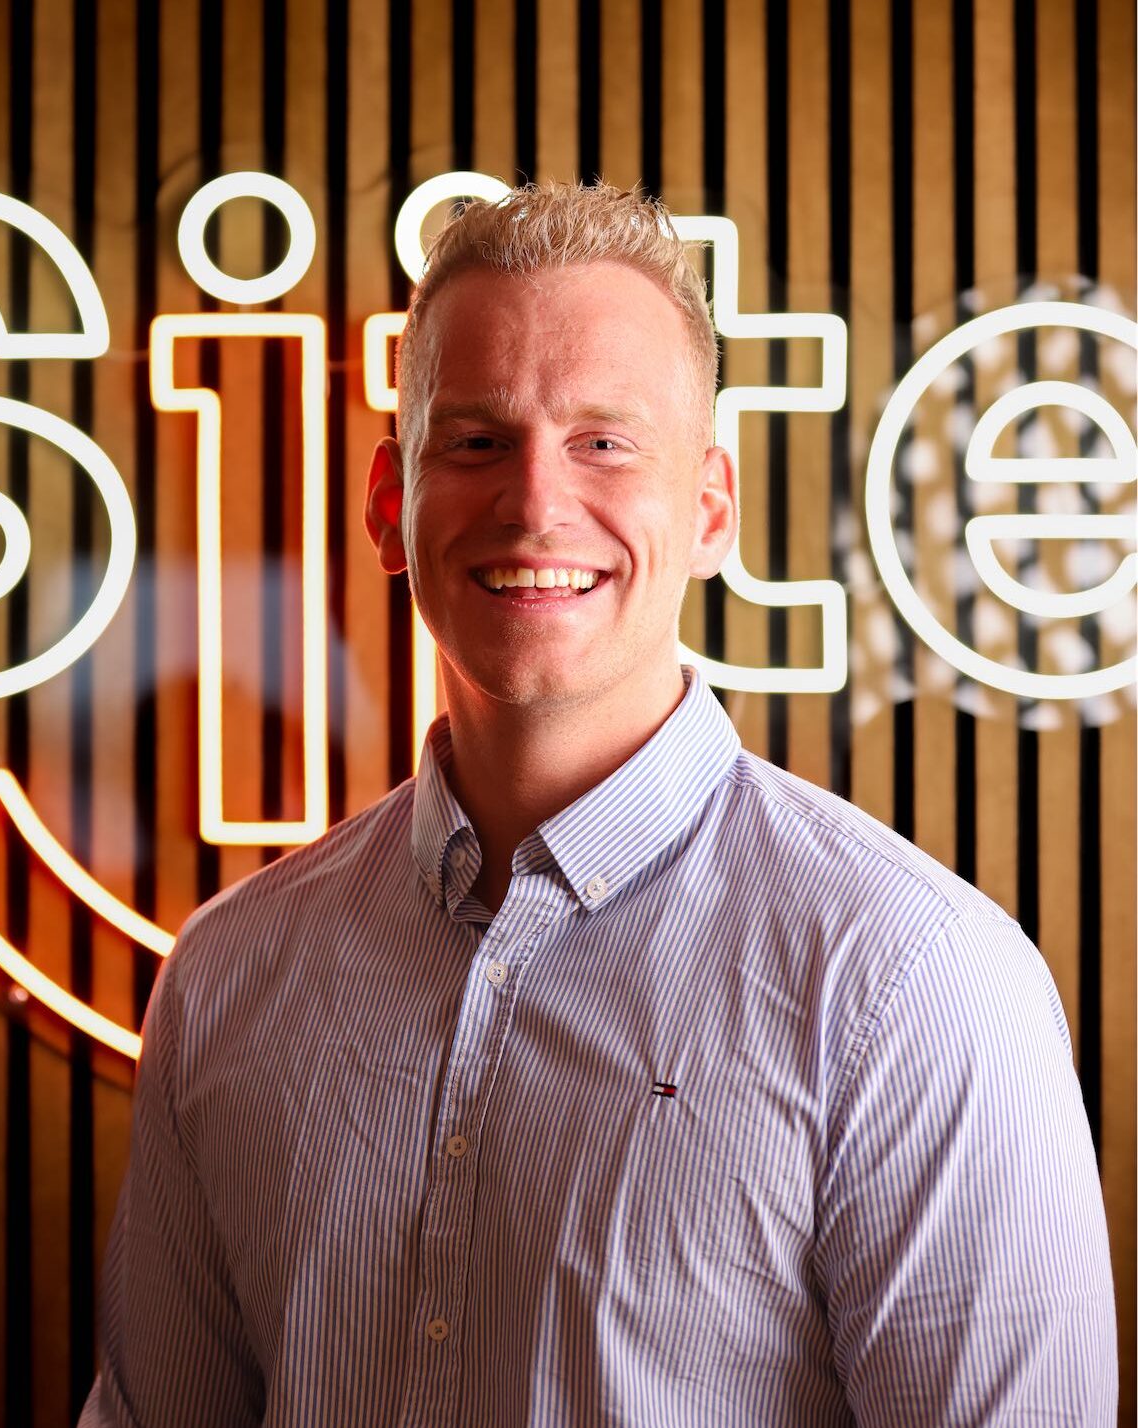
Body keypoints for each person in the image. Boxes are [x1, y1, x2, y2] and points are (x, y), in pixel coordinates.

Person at [80, 182, 1116, 1427]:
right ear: (385, 504)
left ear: (709, 508)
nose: (532, 502)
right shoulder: (230, 976)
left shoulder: (910, 982)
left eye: (603, 442)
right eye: (472, 440)